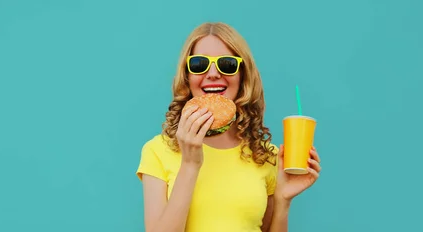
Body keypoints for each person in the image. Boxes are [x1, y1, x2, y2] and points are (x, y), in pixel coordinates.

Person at [136, 22, 321, 232]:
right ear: (187, 76)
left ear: (243, 76)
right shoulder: (158, 151)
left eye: (227, 64)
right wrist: (189, 163)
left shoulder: (266, 155)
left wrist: (283, 200)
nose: (213, 74)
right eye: (199, 64)